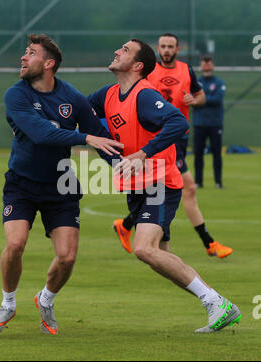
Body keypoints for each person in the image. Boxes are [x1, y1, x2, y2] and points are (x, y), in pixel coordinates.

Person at [88, 38, 240, 333]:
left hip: (159, 182)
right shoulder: (107, 94)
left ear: (137, 65)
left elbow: (178, 124)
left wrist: (143, 153)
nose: (117, 50)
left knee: (144, 249)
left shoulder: (144, 95)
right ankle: (218, 304)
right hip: (136, 186)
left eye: (125, 50)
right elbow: (79, 111)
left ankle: (216, 302)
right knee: (160, 258)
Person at [0, 34, 123, 336]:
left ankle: (45, 299)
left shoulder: (72, 98)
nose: (23, 57)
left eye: (30, 53)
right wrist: (84, 138)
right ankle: (8, 303)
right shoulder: (16, 95)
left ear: (48, 64)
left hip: (60, 185)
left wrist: (125, 168)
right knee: (15, 243)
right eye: (25, 52)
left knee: (67, 256)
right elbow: (41, 134)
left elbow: (100, 137)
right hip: (21, 184)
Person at [113, 33, 232, 259]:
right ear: (158, 49)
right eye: (163, 46)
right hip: (160, 143)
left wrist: (194, 101)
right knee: (186, 187)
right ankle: (209, 242)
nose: (166, 50)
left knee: (169, 188)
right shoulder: (147, 73)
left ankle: (128, 225)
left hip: (179, 138)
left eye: (171, 46)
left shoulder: (186, 71)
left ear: (177, 50)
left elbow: (201, 96)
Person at [193, 55, 226, 188]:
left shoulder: (219, 82)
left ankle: (218, 182)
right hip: (199, 123)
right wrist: (201, 100)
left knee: (217, 153)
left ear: (212, 65)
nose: (206, 65)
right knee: (198, 153)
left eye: (209, 63)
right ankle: (198, 181)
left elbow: (217, 99)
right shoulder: (196, 82)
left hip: (215, 123)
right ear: (201, 65)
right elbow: (193, 100)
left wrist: (201, 99)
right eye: (204, 63)